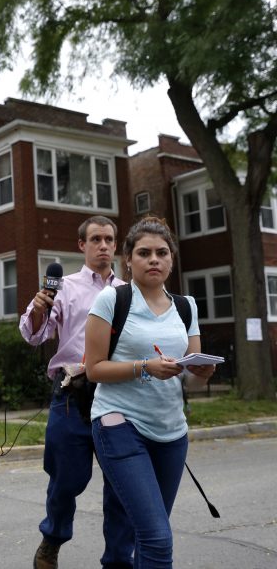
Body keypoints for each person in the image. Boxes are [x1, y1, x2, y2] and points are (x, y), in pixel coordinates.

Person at [85, 217, 214, 568]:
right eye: (144, 253)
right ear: (128, 258)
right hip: (118, 423)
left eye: (161, 252)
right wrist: (145, 366)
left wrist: (201, 374)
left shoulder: (186, 306)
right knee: (157, 537)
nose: (153, 259)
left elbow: (188, 380)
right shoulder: (111, 299)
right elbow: (94, 368)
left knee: (146, 534)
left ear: (172, 258)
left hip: (172, 431)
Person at [20, 215, 134, 569]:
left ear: (116, 246)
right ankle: (52, 537)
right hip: (73, 394)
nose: (103, 246)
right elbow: (33, 335)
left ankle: (118, 560)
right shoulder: (64, 287)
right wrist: (39, 311)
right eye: (96, 239)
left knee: (121, 485)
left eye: (109, 240)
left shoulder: (128, 292)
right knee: (67, 479)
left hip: (117, 395)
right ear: (81, 245)